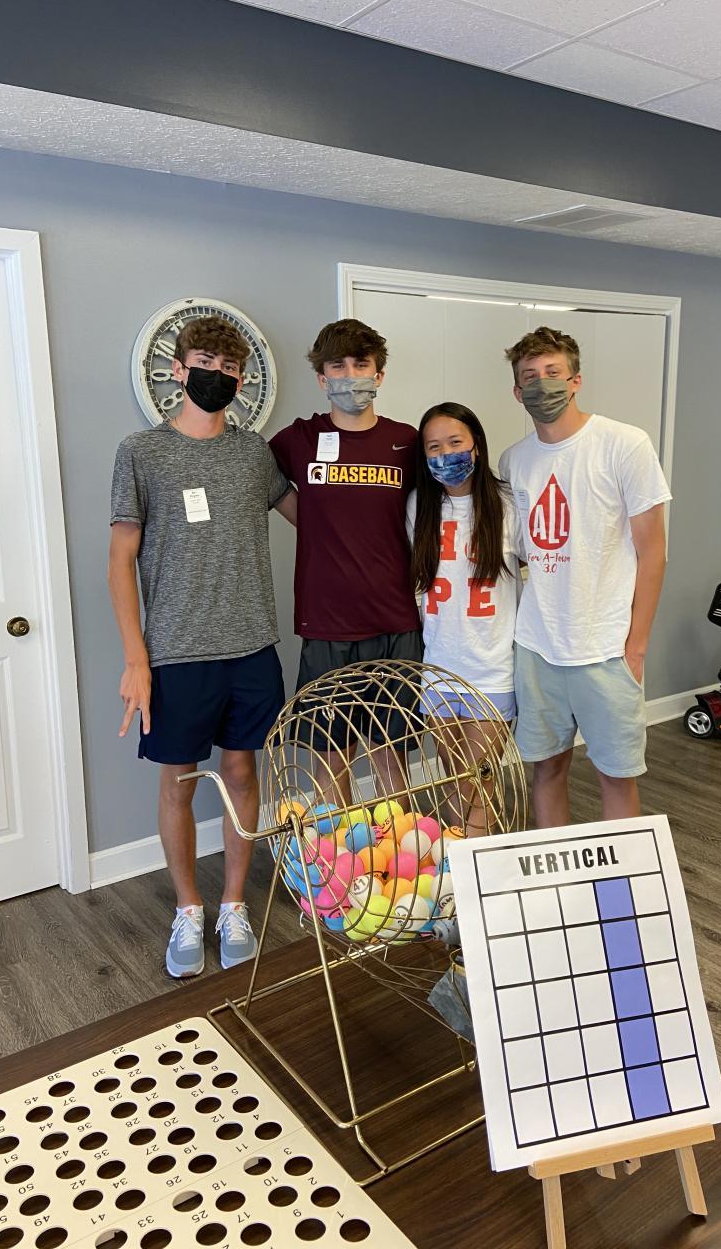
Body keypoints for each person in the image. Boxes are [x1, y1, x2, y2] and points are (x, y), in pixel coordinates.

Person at [108, 315, 297, 978]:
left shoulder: (255, 454)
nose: (217, 374)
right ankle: (188, 908)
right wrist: (137, 659)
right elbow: (120, 561)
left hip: (251, 646)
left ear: (240, 380)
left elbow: (315, 518)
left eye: (229, 367)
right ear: (179, 369)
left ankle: (233, 905)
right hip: (177, 651)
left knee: (243, 773)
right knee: (179, 782)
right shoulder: (141, 452)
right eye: (206, 362)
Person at [498, 325, 670, 826]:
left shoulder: (624, 444)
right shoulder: (514, 461)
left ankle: (623, 875)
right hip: (537, 646)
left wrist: (636, 646)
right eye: (530, 376)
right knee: (546, 768)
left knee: (616, 775)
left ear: (576, 381)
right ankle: (557, 869)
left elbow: (654, 553)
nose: (542, 384)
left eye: (553, 372)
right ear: (517, 391)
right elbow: (519, 551)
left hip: (606, 648)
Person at [270, 319, 421, 804]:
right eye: (338, 366)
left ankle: (398, 846)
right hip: (326, 624)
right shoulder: (298, 439)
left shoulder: (407, 442)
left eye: (361, 364)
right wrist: (314, 524)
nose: (350, 374)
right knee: (332, 757)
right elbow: (262, 483)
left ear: (379, 375)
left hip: (394, 620)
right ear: (322, 377)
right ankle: (343, 849)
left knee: (390, 754)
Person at [407, 403, 521, 836]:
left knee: (479, 780)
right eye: (433, 447)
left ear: (476, 445)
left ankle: (477, 863)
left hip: (491, 669)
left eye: (455, 442)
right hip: (438, 670)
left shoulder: (508, 503)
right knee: (456, 779)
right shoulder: (419, 505)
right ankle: (467, 859)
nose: (445, 455)